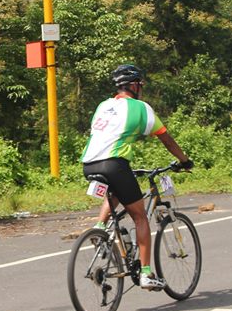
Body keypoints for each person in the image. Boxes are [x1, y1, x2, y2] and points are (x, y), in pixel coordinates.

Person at [81, 64, 193, 290]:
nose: (141, 88)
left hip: (89, 163)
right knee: (140, 217)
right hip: (114, 164)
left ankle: (100, 228)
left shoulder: (104, 105)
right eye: (140, 84)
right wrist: (184, 160)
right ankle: (146, 273)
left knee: (117, 189)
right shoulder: (141, 108)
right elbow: (166, 138)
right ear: (133, 85)